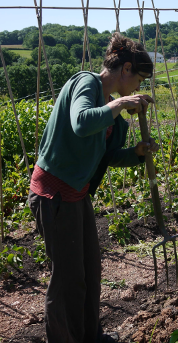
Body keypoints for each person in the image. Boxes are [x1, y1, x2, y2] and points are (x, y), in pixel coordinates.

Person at [28, 33, 159, 343]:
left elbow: (108, 156)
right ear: (126, 69)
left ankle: (91, 335)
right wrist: (121, 102)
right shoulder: (86, 83)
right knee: (68, 279)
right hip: (54, 194)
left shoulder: (115, 117)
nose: (138, 89)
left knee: (89, 271)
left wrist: (137, 154)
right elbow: (82, 123)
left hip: (77, 195)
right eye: (139, 80)